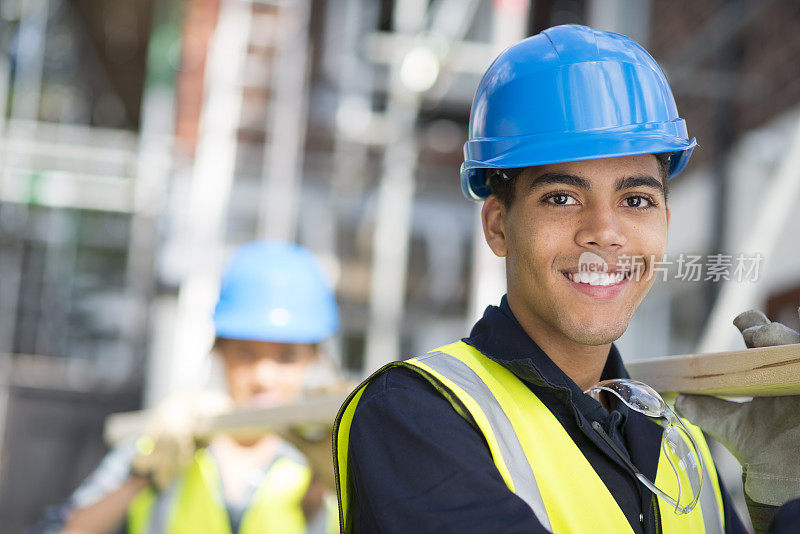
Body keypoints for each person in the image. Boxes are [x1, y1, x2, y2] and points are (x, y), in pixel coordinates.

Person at [333, 24, 800, 533]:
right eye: (562, 198)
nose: (604, 232)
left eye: (636, 200)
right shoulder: (414, 417)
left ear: (664, 224)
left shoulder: (676, 444)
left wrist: (780, 500)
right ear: (498, 226)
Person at [35, 241, 341, 534]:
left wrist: (346, 478)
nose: (263, 376)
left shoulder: (326, 457)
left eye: (286, 357)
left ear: (312, 357)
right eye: (246, 353)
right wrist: (146, 474)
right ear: (219, 350)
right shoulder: (162, 441)